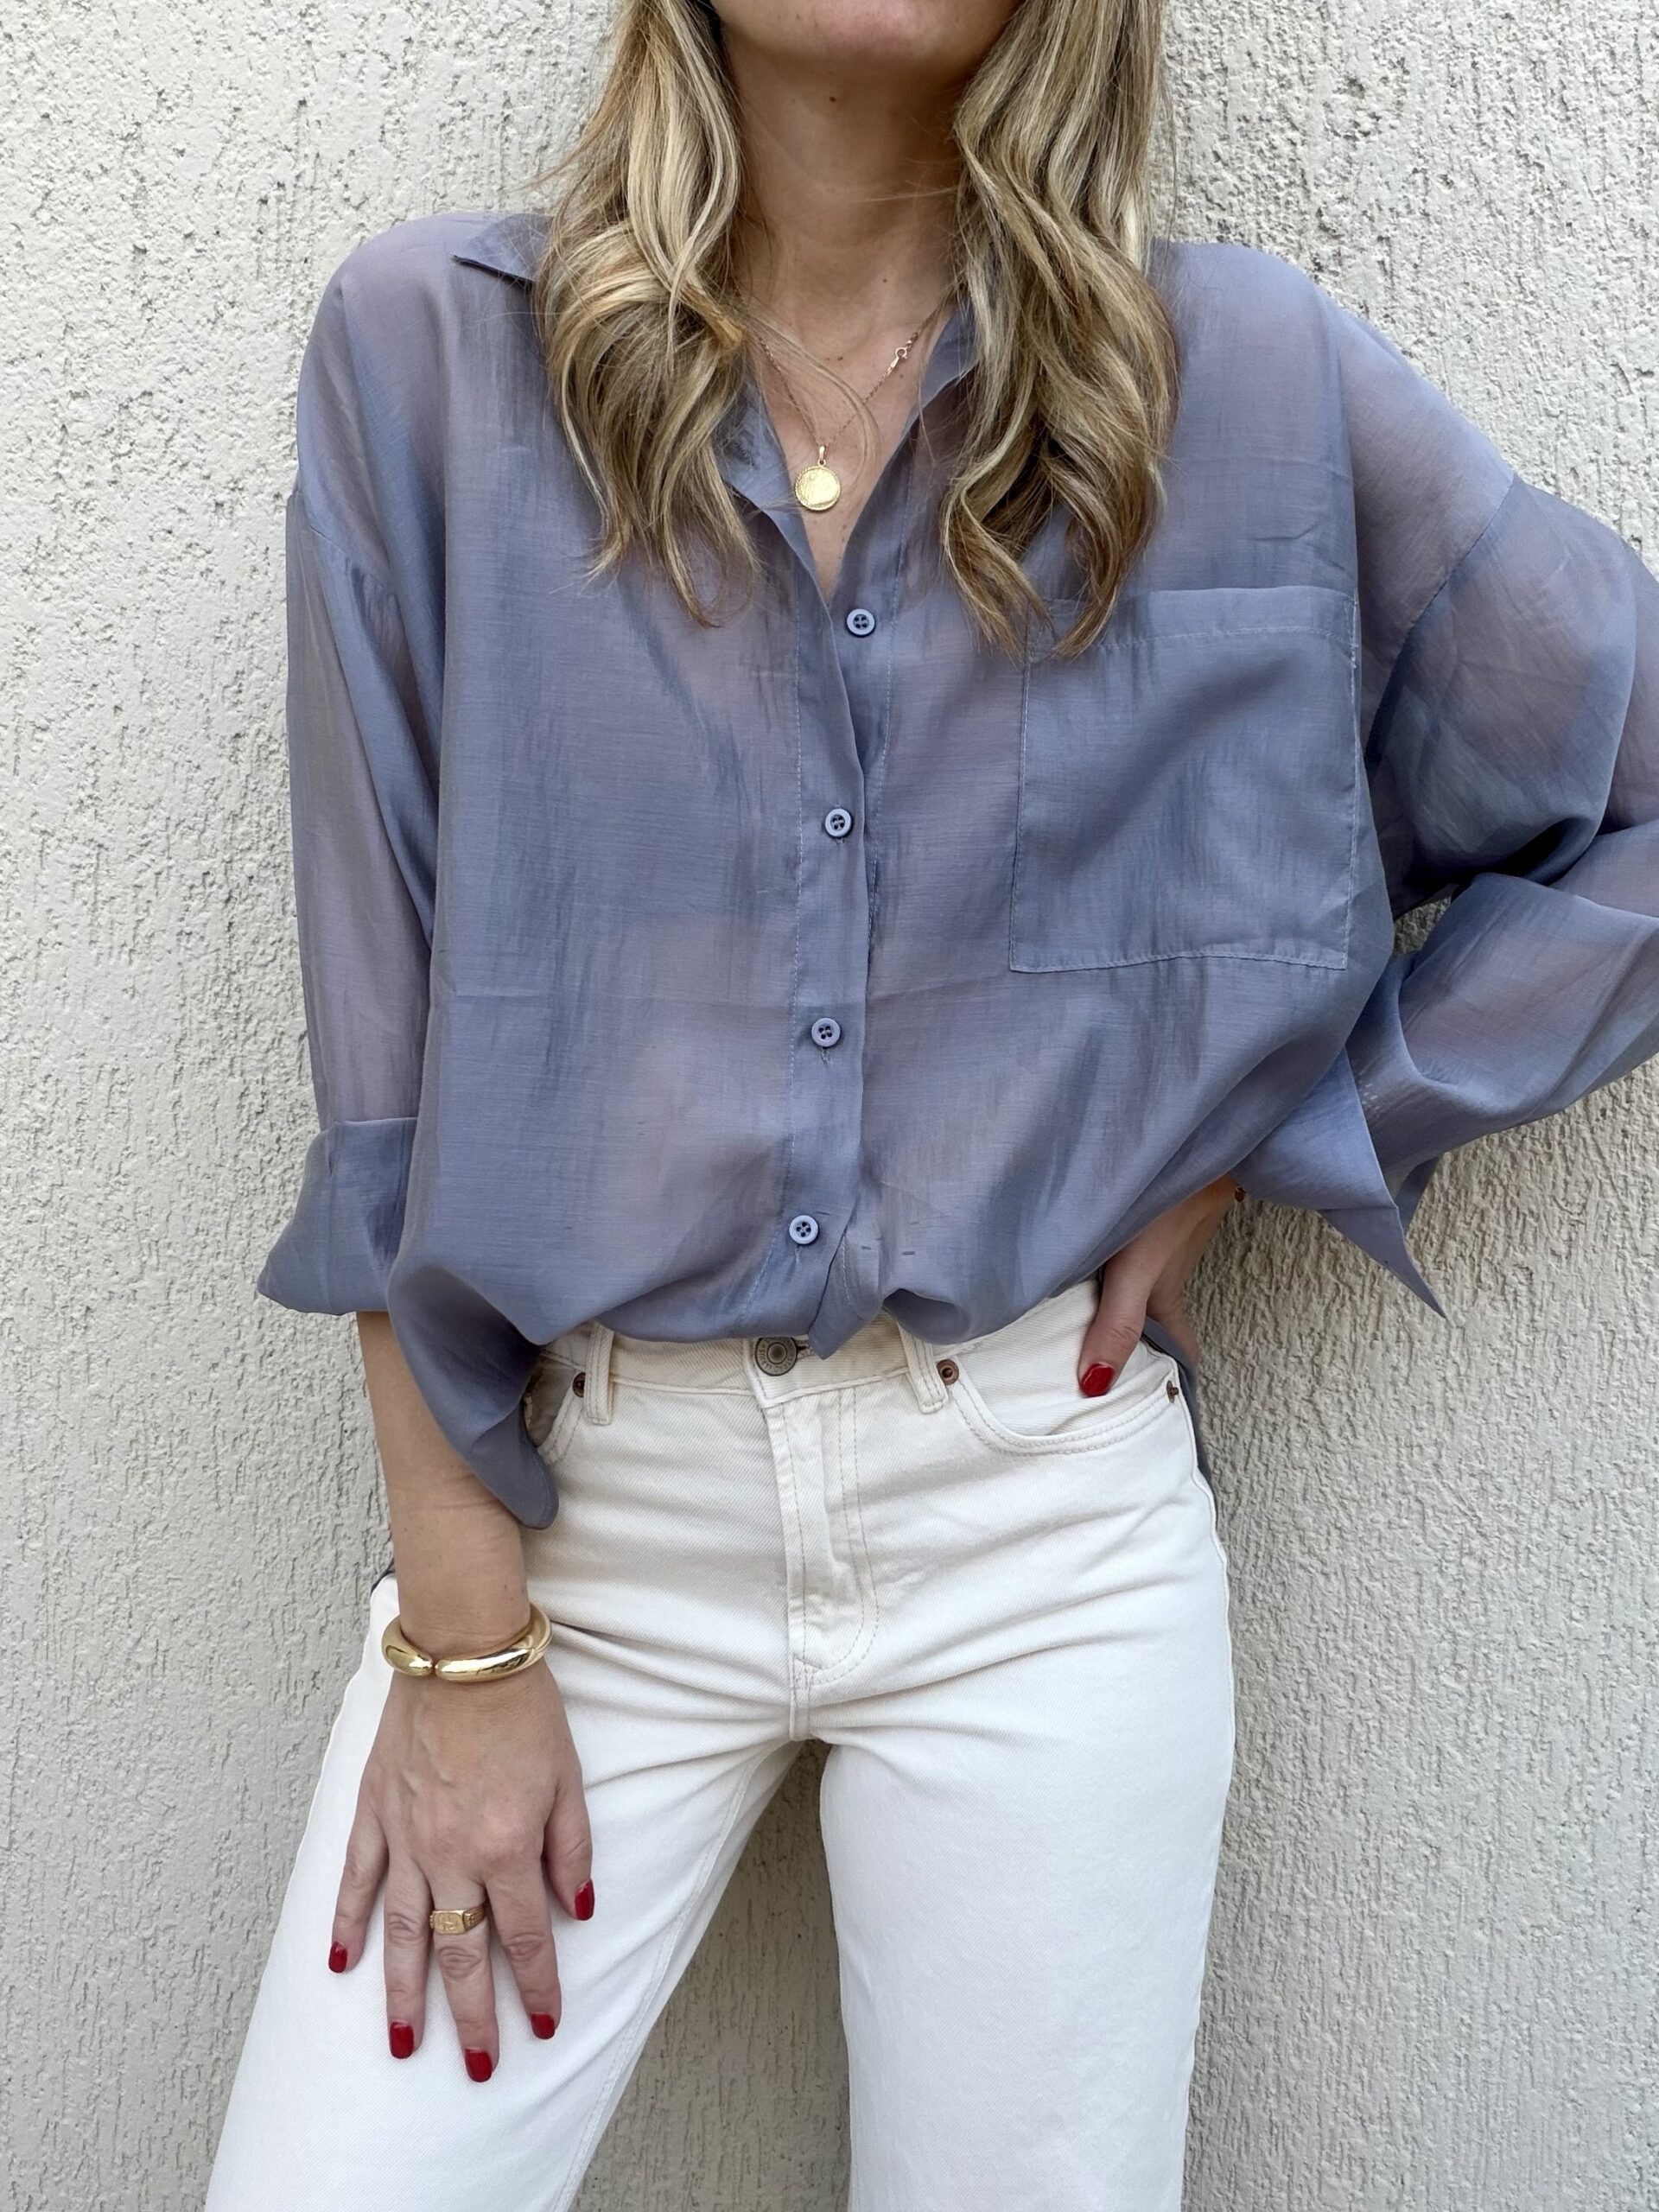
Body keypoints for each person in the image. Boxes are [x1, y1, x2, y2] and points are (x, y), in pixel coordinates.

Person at [206, 2, 1659, 2205]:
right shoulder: (433, 356)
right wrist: (464, 1634)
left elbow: (1628, 794)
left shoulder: (1245, 384)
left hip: (1039, 1533)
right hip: (573, 1528)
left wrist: (1297, 1132)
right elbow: (384, 1065)